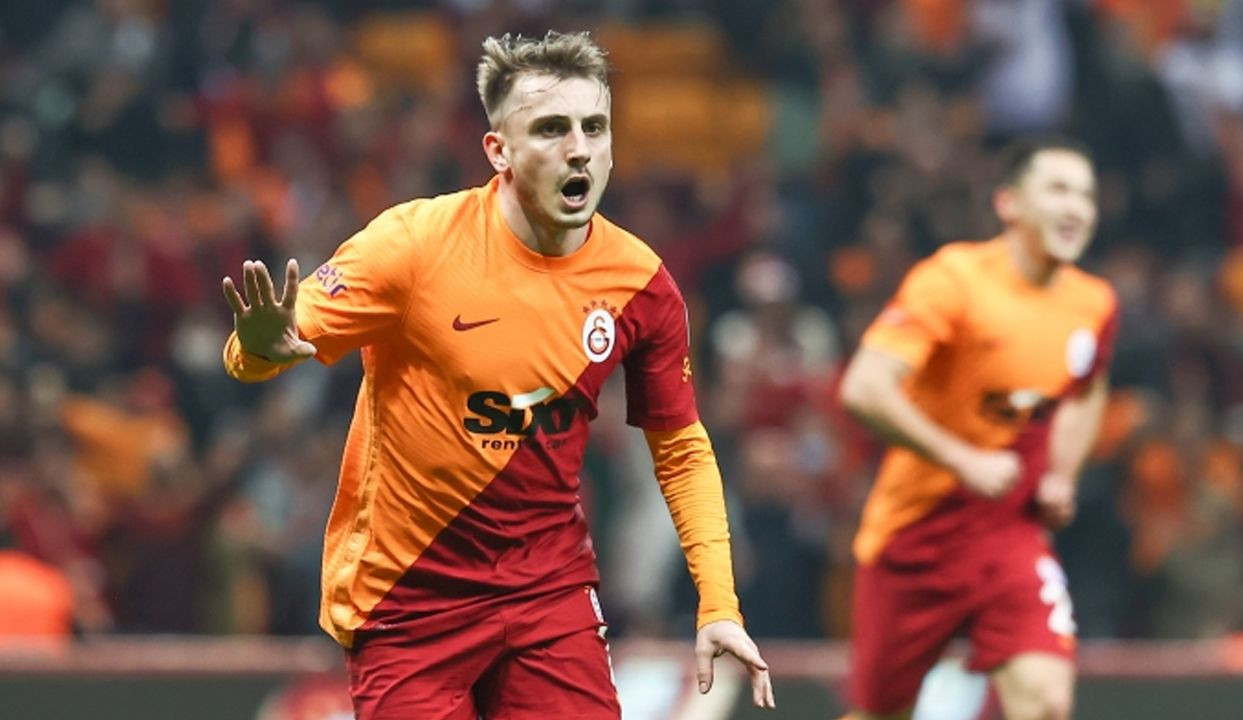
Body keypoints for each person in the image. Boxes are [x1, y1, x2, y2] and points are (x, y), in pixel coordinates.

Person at [220, 31, 774, 719]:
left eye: (594, 127)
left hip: (547, 593)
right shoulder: (413, 245)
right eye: (550, 128)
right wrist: (256, 349)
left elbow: (682, 450)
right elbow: (267, 346)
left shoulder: (640, 285)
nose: (579, 148)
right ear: (499, 151)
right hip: (408, 598)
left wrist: (718, 603)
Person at [838, 135, 1117, 720]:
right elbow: (864, 387)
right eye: (1059, 190)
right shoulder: (953, 280)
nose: (1076, 207)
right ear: (1008, 203)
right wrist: (961, 459)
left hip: (1009, 531)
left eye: (1087, 195)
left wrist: (1062, 473)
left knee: (1046, 702)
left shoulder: (1093, 304)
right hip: (917, 532)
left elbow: (1086, 390)